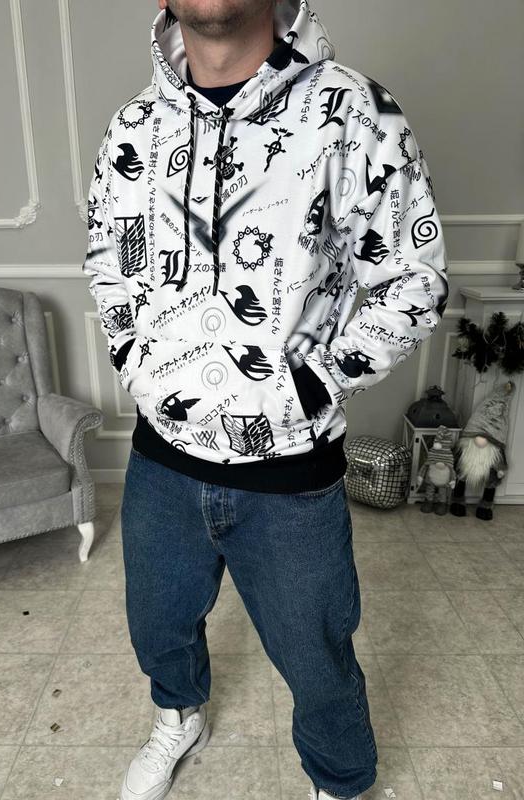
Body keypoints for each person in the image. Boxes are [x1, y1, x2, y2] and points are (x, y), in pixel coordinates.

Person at [82, 1, 449, 798]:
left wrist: (315, 382)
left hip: (290, 471)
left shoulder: (353, 111)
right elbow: (108, 264)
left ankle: (341, 780)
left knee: (317, 656)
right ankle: (179, 717)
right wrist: (141, 367)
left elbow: (413, 281)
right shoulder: (134, 127)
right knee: (159, 626)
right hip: (161, 460)